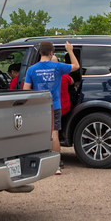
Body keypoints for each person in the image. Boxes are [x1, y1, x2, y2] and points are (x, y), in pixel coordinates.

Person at [23, 41, 79, 173]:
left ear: (40, 52)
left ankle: (39, 164)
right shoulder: (57, 67)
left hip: (39, 108)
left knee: (39, 134)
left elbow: (26, 90)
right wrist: (70, 50)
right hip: (54, 106)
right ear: (51, 53)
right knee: (54, 134)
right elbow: (76, 66)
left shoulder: (31, 69)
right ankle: (56, 166)